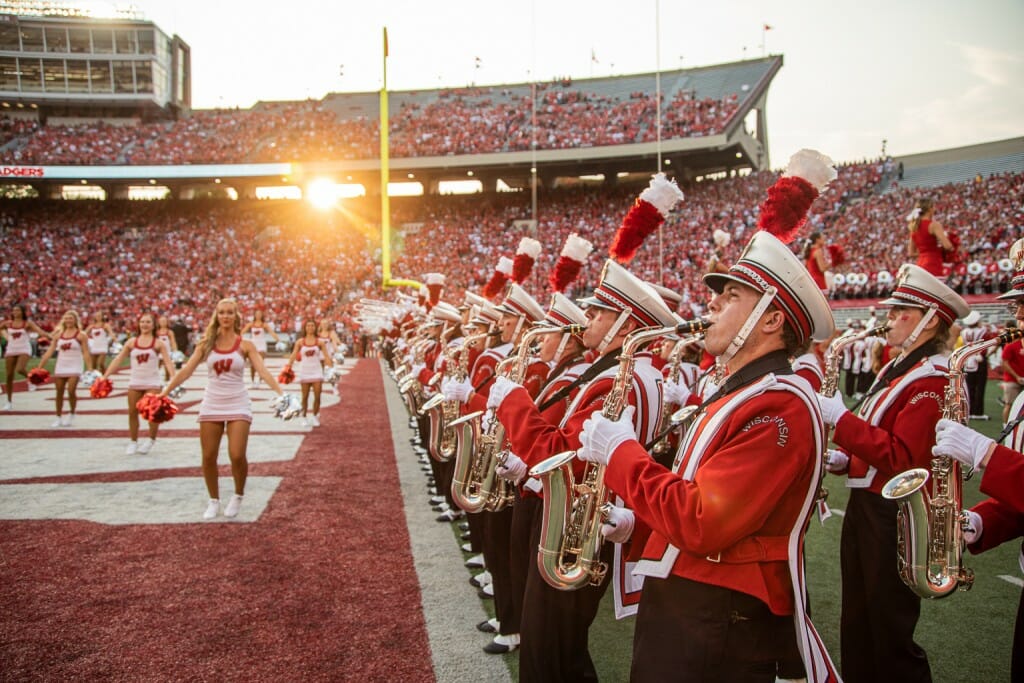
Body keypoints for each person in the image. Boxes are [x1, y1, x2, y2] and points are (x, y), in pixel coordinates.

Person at [576, 231, 839, 682]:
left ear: (772, 318)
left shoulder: (780, 404)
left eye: (731, 295)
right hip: (695, 605)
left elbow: (702, 520)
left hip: (719, 615)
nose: (712, 303)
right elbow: (701, 498)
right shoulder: (741, 393)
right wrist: (636, 526)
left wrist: (620, 453)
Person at [489, 259, 675, 682]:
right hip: (583, 523)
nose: (585, 319)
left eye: (597, 314)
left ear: (625, 328)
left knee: (550, 652)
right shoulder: (621, 374)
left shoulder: (619, 380)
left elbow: (565, 459)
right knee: (554, 649)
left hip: (580, 529)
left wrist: (513, 402)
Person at [817, 263, 969, 682]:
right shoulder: (901, 368)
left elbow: (905, 459)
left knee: (889, 632)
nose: (887, 320)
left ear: (930, 320)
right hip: (871, 506)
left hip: (896, 516)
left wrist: (842, 421)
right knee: (859, 623)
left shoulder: (935, 378)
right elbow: (884, 442)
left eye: (900, 310)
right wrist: (848, 461)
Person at [159, 298, 287, 520]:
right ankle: (213, 500)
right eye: (222, 313)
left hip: (238, 401)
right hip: (212, 402)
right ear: (216, 316)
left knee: (237, 455)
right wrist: (164, 392)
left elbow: (263, 371)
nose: (225, 316)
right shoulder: (206, 344)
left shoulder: (246, 345)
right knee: (208, 456)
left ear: (236, 316)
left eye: (229, 312)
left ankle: (238, 494)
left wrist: (281, 393)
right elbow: (186, 372)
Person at [101, 312, 176, 455]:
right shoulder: (131, 342)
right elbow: (118, 359)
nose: (145, 324)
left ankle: (151, 440)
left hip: (152, 382)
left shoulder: (158, 343)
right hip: (135, 381)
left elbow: (167, 361)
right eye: (142, 322)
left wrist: (173, 378)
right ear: (139, 324)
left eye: (148, 322)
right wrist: (105, 376)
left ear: (154, 325)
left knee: (153, 413)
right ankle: (133, 441)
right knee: (132, 412)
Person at [37, 309, 91, 427]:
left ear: (75, 320)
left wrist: (90, 369)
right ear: (63, 320)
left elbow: (86, 352)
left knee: (71, 390)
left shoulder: (81, 335)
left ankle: (72, 413)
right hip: (61, 365)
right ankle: (58, 416)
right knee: (59, 392)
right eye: (66, 318)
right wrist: (40, 366)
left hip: (75, 365)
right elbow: (50, 351)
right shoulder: (58, 335)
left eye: (70, 318)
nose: (68, 320)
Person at [1, 304, 48, 410]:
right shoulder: (8, 323)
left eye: (18, 310)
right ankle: (9, 401)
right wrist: (5, 335)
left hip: (24, 348)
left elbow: (40, 331)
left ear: (22, 312)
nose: (15, 312)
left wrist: (50, 336)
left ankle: (32, 379)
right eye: (14, 310)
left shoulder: (27, 324)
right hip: (11, 348)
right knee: (9, 375)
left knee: (20, 369)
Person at [288, 319, 329, 428]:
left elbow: (326, 356)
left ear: (315, 328)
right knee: (305, 396)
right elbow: (293, 354)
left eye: (312, 326)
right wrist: (289, 366)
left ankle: (315, 416)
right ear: (305, 328)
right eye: (308, 326)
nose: (310, 328)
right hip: (305, 371)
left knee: (318, 395)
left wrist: (331, 368)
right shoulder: (300, 342)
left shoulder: (320, 342)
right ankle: (304, 417)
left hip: (317, 371)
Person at [906, 197, 954, 277]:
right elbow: (948, 246)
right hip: (933, 264)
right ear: (929, 209)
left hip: (920, 265)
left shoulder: (914, 227)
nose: (934, 209)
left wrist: (924, 253)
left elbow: (911, 253)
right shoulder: (934, 225)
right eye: (933, 207)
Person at [241, 309, 279, 386]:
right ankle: (252, 380)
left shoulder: (264, 324)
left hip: (261, 344)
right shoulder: (251, 324)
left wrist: (277, 339)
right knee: (253, 364)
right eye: (257, 314)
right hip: (253, 344)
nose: (258, 315)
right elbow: (242, 332)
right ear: (254, 315)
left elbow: (271, 332)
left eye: (260, 314)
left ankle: (259, 380)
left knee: (260, 363)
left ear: (262, 315)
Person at [154, 315, 179, 381]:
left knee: (167, 367)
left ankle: (167, 380)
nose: (163, 322)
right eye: (161, 321)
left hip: (167, 352)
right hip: (158, 352)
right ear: (158, 322)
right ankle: (154, 378)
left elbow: (173, 342)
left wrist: (175, 351)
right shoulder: (156, 332)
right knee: (156, 366)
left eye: (164, 321)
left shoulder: (169, 332)